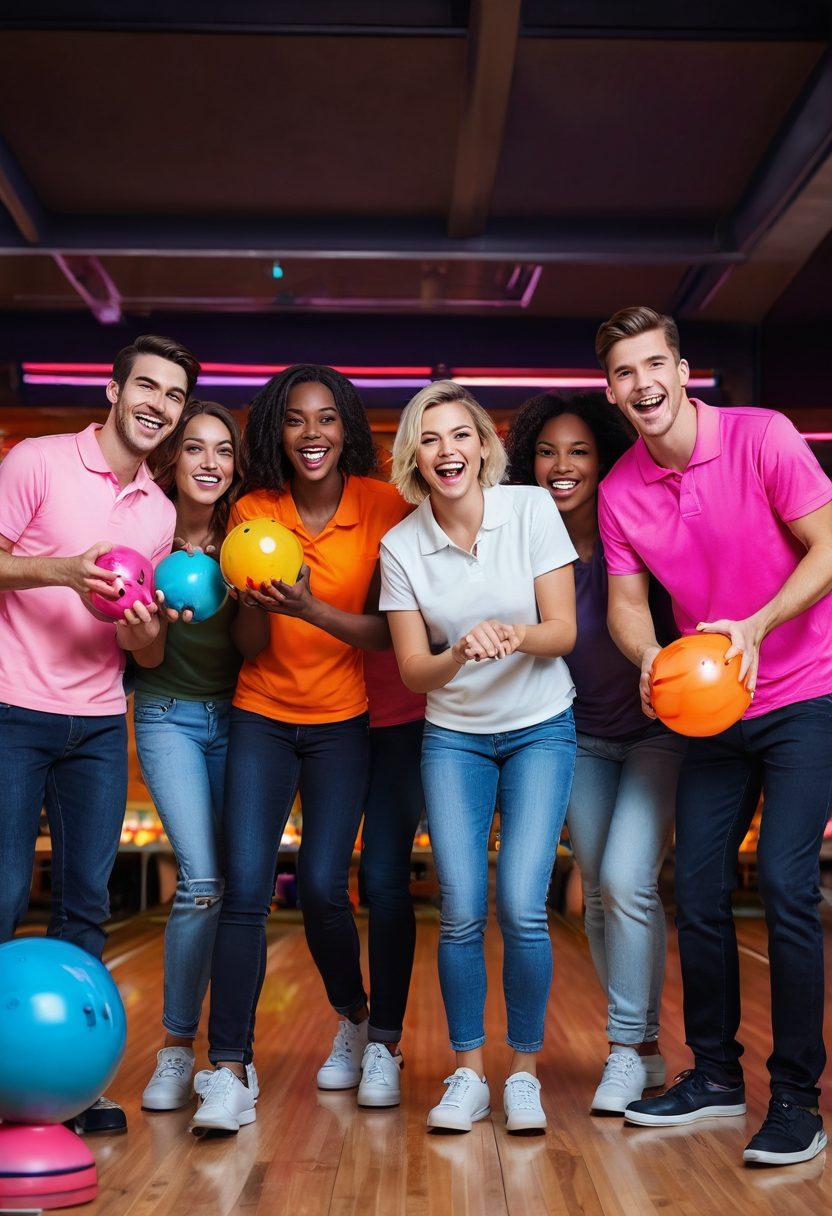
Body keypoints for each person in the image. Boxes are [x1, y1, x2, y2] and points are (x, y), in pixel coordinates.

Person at [596, 305, 832, 1167]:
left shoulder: (762, 436)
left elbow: (829, 543)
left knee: (783, 878)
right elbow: (626, 607)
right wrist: (654, 661)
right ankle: (717, 1074)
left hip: (809, 688)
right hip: (714, 709)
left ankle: (800, 1100)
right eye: (625, 372)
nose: (643, 383)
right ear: (612, 391)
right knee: (692, 886)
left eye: (654, 364)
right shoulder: (622, 489)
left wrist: (758, 624)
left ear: (683, 368)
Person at [191, 364, 410, 1134]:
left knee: (322, 885)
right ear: (275, 432)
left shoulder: (383, 507)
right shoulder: (254, 508)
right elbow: (250, 646)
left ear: (348, 428)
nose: (311, 434)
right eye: (294, 419)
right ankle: (230, 1070)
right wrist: (255, 605)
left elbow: (392, 635)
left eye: (326, 419)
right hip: (260, 715)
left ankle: (356, 1016)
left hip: (343, 722)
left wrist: (311, 604)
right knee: (245, 887)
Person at [0, 333, 200, 1133]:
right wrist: (63, 569)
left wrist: (148, 628)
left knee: (86, 903)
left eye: (174, 396)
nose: (158, 405)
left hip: (95, 722)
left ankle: (72, 1082)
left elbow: (141, 649)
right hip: (12, 706)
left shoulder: (157, 511)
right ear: (113, 390)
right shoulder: (37, 462)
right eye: (146, 387)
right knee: (5, 890)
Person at [380, 381, 577, 1134]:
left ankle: (522, 1073)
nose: (447, 450)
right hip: (453, 738)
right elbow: (412, 672)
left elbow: (561, 631)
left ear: (484, 447)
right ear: (414, 457)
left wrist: (511, 633)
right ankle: (467, 1074)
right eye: (430, 440)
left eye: (460, 435)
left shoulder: (529, 510)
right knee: (462, 909)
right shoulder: (400, 547)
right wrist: (459, 650)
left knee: (524, 906)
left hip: (539, 729)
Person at [505, 393, 686, 1114]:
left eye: (579, 451)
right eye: (547, 451)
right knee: (599, 890)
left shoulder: (632, 530)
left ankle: (624, 1044)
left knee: (626, 878)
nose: (561, 466)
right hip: (575, 734)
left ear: (604, 458)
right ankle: (640, 1052)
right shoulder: (523, 542)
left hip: (655, 731)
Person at [130, 401, 245, 1111]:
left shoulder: (248, 540)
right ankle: (176, 1051)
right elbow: (143, 657)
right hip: (168, 713)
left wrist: (257, 600)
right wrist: (151, 626)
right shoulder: (142, 535)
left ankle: (233, 1060)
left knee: (240, 892)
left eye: (223, 450)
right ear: (171, 461)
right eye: (194, 448)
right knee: (202, 883)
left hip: (241, 718)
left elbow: (259, 651)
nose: (209, 462)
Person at [357, 648, 427, 1105]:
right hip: (325, 716)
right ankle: (351, 1019)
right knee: (320, 883)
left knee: (383, 881)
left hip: (407, 719)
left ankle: (383, 1041)